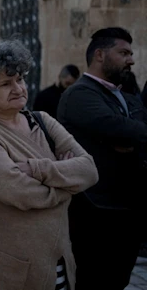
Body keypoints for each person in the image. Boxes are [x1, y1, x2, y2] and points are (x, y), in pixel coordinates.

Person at [0, 39, 98, 290]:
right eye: (6, 84)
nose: (18, 88)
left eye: (19, 79)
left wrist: (40, 170)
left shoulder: (42, 121)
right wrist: (67, 185)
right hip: (1, 271)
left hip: (56, 264)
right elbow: (19, 192)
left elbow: (89, 170)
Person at [58, 27, 147, 290]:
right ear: (99, 54)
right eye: (123, 53)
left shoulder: (124, 95)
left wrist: (130, 136)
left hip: (126, 209)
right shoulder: (80, 94)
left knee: (117, 280)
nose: (131, 59)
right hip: (94, 212)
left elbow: (137, 127)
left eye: (130, 53)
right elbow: (122, 128)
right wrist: (127, 135)